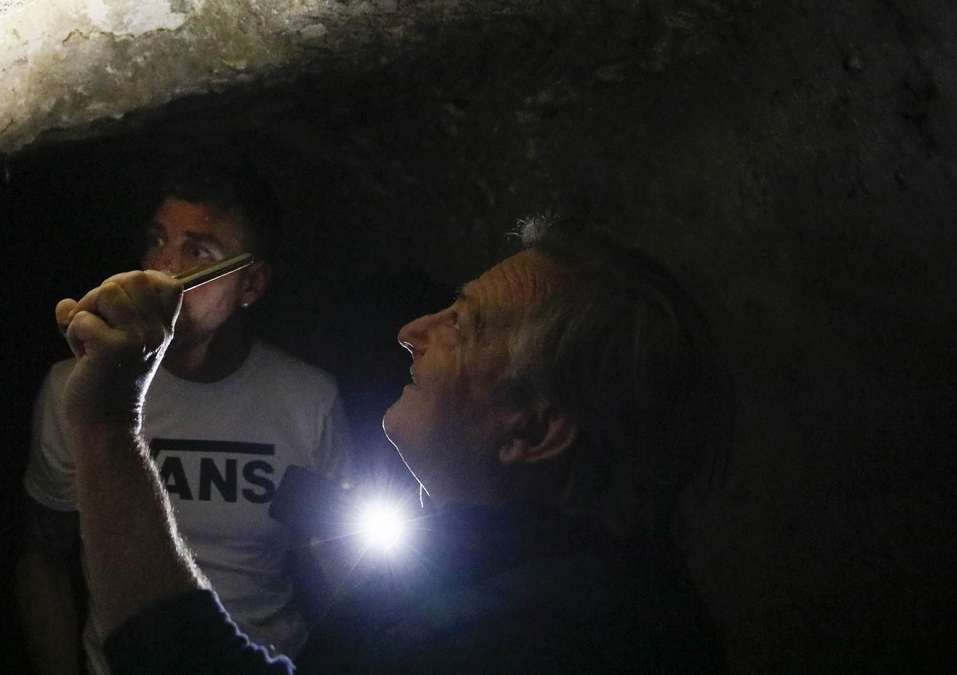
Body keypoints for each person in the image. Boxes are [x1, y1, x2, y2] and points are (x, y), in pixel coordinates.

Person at [53, 216, 731, 675]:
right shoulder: (528, 576)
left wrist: (108, 427)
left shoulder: (527, 640)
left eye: (464, 324)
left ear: (533, 429)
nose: (412, 330)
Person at [17, 164, 352, 675]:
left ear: (251, 284)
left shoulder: (308, 400)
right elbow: (43, 557)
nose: (162, 272)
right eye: (157, 240)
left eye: (198, 251)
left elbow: (342, 570)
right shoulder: (76, 387)